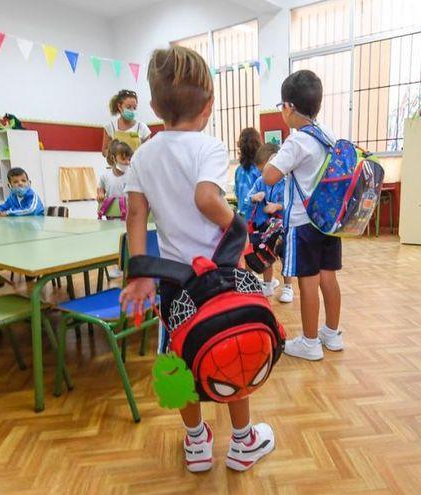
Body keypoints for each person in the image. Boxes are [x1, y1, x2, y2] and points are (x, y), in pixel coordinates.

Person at [119, 45, 275, 473]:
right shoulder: (208, 147)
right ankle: (243, 442)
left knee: (175, 358)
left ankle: (196, 444)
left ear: (152, 107)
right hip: (221, 276)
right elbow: (207, 198)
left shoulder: (143, 154)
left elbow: (135, 213)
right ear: (209, 105)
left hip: (173, 281)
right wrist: (237, 224)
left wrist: (140, 272)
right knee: (234, 343)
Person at [262, 70, 343, 362]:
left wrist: (274, 157)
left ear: (291, 107)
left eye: (281, 106)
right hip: (329, 221)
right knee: (328, 278)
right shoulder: (328, 135)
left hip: (303, 222)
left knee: (307, 281)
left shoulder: (296, 142)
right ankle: (331, 334)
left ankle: (309, 343)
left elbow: (269, 176)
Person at [245, 143, 294, 302]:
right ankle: (267, 285)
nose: (264, 174)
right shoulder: (260, 182)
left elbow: (291, 204)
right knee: (266, 254)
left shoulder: (287, 181)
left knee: (285, 257)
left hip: (282, 228)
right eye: (261, 171)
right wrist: (254, 197)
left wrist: (277, 206)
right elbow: (248, 198)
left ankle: (288, 287)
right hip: (263, 227)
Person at [102, 89, 151, 154]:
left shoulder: (142, 128)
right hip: (116, 164)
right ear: (119, 106)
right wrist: (115, 156)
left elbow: (149, 152)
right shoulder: (110, 127)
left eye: (134, 108)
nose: (132, 110)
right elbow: (104, 150)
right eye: (128, 107)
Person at [234, 127, 262, 222]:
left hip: (243, 218)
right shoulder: (261, 170)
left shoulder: (238, 170)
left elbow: (238, 195)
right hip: (258, 220)